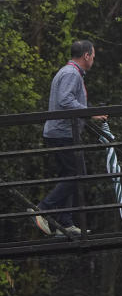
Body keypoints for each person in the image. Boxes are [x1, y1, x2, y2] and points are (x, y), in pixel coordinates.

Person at [31, 40, 108, 237]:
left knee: (70, 176)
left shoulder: (69, 72)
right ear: (86, 56)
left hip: (60, 132)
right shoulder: (71, 74)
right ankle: (43, 209)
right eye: (93, 56)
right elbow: (65, 100)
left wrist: (89, 114)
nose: (93, 59)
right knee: (77, 174)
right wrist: (89, 113)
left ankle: (66, 222)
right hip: (63, 133)